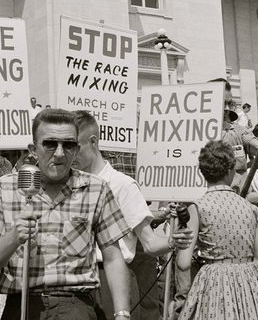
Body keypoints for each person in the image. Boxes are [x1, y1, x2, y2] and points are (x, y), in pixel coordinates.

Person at [0, 108, 133, 320]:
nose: (59, 153)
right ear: (33, 148)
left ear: (77, 149)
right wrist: (13, 238)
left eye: (68, 145)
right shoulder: (7, 188)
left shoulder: (96, 189)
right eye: (50, 144)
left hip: (75, 306)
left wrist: (122, 314)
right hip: (21, 305)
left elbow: (113, 257)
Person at [72, 111, 193, 320]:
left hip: (109, 282)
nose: (68, 154)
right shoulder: (69, 183)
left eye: (74, 146)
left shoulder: (122, 185)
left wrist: (172, 241)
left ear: (93, 142)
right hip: (75, 282)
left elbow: (149, 242)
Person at [178, 140, 258, 320]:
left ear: (202, 172)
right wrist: (238, 269)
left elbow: (183, 262)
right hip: (250, 284)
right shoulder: (249, 208)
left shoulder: (198, 207)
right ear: (231, 170)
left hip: (213, 284)